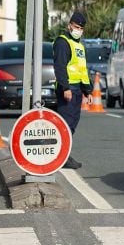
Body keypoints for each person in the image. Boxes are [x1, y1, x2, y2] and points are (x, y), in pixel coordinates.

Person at [53, 11, 91, 170]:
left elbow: (83, 70)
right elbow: (60, 67)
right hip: (67, 89)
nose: (78, 30)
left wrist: (87, 92)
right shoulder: (63, 42)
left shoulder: (79, 45)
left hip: (77, 90)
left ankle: (63, 154)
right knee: (65, 124)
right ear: (69, 25)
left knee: (72, 124)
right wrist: (65, 88)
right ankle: (61, 156)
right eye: (76, 27)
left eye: (81, 28)